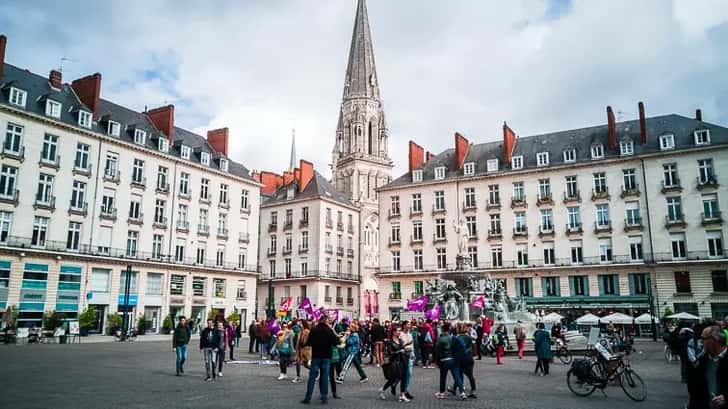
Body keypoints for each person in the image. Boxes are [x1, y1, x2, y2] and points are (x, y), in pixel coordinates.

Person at [687, 325, 728, 409]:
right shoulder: (702, 360)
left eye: (703, 338)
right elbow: (694, 389)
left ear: (714, 339)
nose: (701, 342)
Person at [301, 316, 340, 404]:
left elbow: (309, 343)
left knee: (312, 377)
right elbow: (336, 342)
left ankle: (308, 397)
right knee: (325, 376)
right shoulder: (329, 330)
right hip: (326, 356)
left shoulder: (314, 330)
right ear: (325, 321)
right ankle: (324, 397)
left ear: (319, 321)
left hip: (316, 356)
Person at [434, 322, 466, 400]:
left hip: (444, 360)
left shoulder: (441, 339)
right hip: (453, 360)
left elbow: (437, 351)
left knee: (443, 377)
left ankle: (442, 393)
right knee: (457, 377)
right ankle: (462, 393)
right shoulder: (453, 338)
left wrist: (436, 362)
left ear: (442, 330)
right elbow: (461, 347)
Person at [379, 325, 409, 402]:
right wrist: (399, 351)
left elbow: (402, 349)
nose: (399, 332)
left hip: (402, 362)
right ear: (393, 332)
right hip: (394, 363)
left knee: (404, 378)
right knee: (392, 379)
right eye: (398, 331)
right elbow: (390, 353)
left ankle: (402, 395)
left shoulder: (400, 340)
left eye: (400, 331)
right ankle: (382, 390)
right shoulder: (390, 341)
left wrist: (405, 349)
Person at [449, 323, 476, 398]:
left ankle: (456, 389)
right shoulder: (469, 338)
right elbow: (472, 347)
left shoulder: (456, 338)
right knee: (470, 375)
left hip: (460, 358)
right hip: (469, 358)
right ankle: (473, 390)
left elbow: (452, 349)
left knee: (458, 374)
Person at [399, 321, 415, 400]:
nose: (410, 325)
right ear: (404, 325)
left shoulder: (410, 334)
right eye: (408, 324)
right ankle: (403, 390)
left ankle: (405, 390)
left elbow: (412, 345)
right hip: (403, 355)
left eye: (410, 324)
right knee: (404, 374)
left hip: (410, 354)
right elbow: (401, 346)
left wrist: (413, 354)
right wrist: (407, 345)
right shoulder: (401, 334)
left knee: (409, 373)